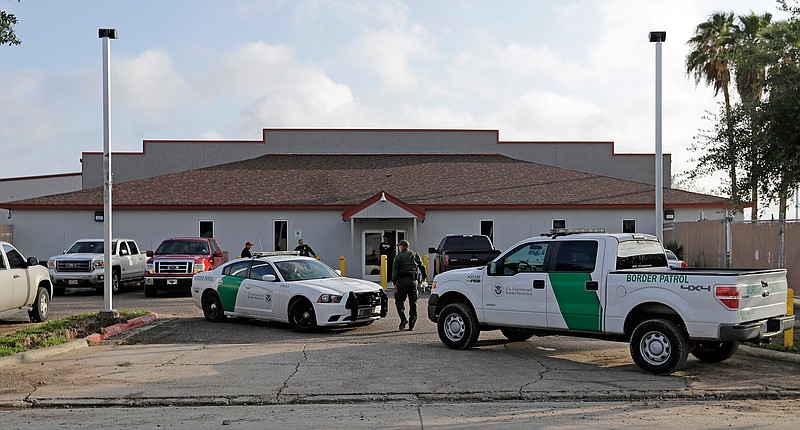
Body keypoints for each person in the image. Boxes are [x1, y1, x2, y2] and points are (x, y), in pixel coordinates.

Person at [392, 239, 426, 331]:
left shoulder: (398, 257)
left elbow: (395, 271)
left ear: (402, 247)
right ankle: (412, 324)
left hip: (402, 282)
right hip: (413, 282)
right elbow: (422, 266)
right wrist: (424, 277)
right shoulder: (415, 254)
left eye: (399, 246)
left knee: (399, 301)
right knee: (413, 302)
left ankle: (403, 319)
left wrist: (394, 282)